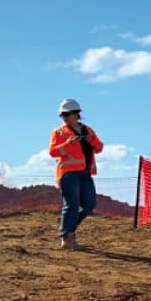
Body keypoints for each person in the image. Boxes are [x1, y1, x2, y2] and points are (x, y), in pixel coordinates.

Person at [48, 98, 104, 250]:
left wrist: (91, 140)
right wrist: (68, 144)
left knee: (89, 204)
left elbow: (99, 148)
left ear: (76, 114)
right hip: (68, 174)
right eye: (62, 115)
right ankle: (67, 238)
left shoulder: (88, 130)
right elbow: (52, 152)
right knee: (71, 204)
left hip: (86, 173)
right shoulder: (59, 132)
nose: (64, 118)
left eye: (67, 114)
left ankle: (68, 227)